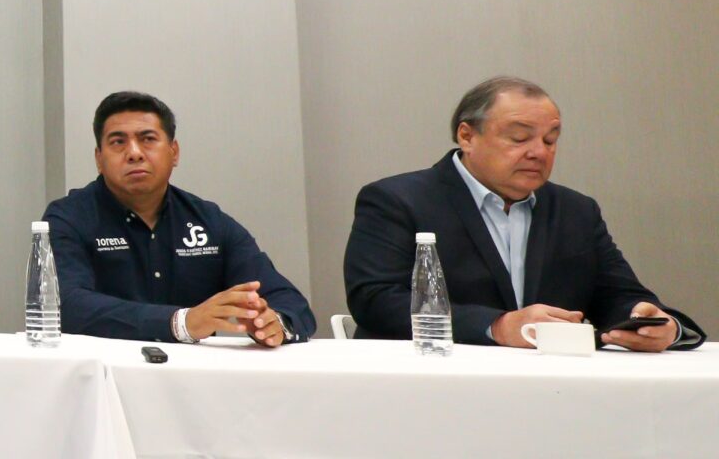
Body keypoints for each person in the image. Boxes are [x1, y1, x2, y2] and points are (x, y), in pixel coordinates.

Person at [345, 76, 704, 351]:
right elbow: (376, 301)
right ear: (467, 136)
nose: (539, 152)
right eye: (519, 138)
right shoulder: (397, 200)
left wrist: (653, 322)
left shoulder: (575, 211)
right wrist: (497, 326)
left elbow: (617, 295)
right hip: (432, 385)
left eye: (550, 140)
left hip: (554, 392)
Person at [44, 92, 315, 346]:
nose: (134, 152)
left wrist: (274, 323)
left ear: (174, 152)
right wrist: (180, 323)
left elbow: (291, 303)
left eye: (148, 139)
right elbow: (65, 305)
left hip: (194, 374)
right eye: (118, 142)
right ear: (99, 159)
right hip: (103, 370)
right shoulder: (68, 218)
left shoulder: (208, 221)